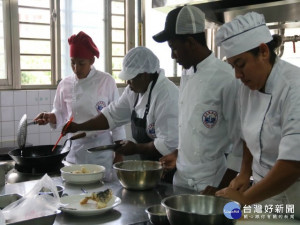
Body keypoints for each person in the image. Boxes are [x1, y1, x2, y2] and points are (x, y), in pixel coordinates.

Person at [215, 12, 300, 218]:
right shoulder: (246, 86)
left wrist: (245, 199)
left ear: (263, 51)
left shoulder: (294, 88)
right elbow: (248, 134)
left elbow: (293, 164)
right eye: (232, 66)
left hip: (294, 198)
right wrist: (245, 172)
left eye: (241, 64)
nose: (237, 74)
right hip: (262, 193)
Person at [153, 5, 242, 192]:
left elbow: (239, 145)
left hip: (210, 182)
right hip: (181, 180)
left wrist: (221, 187)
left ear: (191, 42)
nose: (172, 56)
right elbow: (194, 130)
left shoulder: (226, 78)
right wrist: (178, 154)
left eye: (174, 48)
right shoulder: (187, 74)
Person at [62, 46, 179, 182]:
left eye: (130, 78)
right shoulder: (134, 90)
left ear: (144, 75)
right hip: (151, 167)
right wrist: (79, 126)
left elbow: (168, 144)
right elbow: (110, 115)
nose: (128, 83)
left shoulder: (167, 95)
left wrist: (135, 148)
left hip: (170, 169)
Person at [34, 31, 126, 177]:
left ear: (91, 61)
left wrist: (119, 153)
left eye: (81, 63)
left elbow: (116, 119)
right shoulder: (65, 84)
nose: (76, 68)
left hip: (100, 152)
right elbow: (61, 113)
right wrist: (50, 117)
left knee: (99, 195)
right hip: (73, 153)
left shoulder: (106, 81)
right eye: (72, 62)